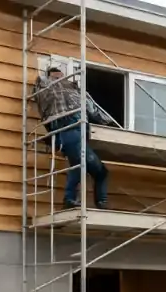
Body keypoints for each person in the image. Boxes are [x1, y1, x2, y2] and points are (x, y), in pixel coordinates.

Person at [31, 64, 112, 210]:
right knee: (97, 170)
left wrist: (106, 122)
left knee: (78, 166)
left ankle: (70, 200)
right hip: (70, 128)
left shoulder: (68, 88)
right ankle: (98, 202)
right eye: (56, 74)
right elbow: (90, 107)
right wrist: (105, 120)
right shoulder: (50, 86)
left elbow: (90, 106)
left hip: (75, 129)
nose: (59, 76)